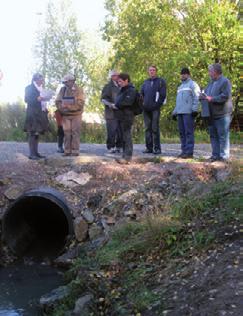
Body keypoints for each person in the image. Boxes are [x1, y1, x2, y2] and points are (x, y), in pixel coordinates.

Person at [200, 63, 233, 162]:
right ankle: (215, 155)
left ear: (216, 72)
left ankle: (224, 156)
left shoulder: (225, 81)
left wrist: (212, 99)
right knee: (213, 135)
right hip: (211, 114)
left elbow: (225, 96)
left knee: (222, 135)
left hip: (222, 113)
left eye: (210, 71)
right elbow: (207, 95)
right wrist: (202, 97)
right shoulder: (210, 83)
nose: (209, 73)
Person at [172, 67, 200, 158]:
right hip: (180, 112)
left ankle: (189, 152)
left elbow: (197, 97)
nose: (183, 75)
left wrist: (195, 109)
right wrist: (174, 112)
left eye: (185, 74)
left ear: (188, 74)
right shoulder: (180, 87)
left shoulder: (193, 84)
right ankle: (184, 151)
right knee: (182, 133)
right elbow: (178, 102)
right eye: (182, 74)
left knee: (188, 132)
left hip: (188, 113)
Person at [55, 74, 85, 156]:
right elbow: (57, 101)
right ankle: (67, 150)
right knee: (66, 133)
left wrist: (70, 107)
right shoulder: (62, 90)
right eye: (64, 82)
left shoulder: (79, 90)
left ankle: (75, 151)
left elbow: (80, 103)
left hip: (76, 114)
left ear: (71, 81)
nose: (65, 84)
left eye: (66, 82)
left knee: (75, 132)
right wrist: (62, 108)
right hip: (65, 115)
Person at [141, 65, 166, 154]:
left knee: (155, 128)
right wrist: (142, 105)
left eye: (153, 70)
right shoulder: (145, 82)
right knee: (147, 128)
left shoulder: (160, 81)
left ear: (156, 71)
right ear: (148, 72)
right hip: (146, 109)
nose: (151, 71)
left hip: (155, 109)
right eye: (150, 70)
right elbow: (141, 95)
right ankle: (149, 148)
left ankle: (157, 148)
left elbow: (163, 95)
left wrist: (157, 105)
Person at [24, 73, 49, 160]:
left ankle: (36, 152)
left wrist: (45, 107)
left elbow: (43, 100)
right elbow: (26, 99)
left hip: (41, 113)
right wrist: (37, 99)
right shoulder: (29, 88)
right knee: (32, 133)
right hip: (33, 113)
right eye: (40, 79)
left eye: (42, 80)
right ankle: (31, 154)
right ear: (35, 80)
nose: (42, 81)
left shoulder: (42, 89)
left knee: (37, 133)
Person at [114, 73, 136, 164]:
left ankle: (128, 157)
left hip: (127, 116)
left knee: (127, 136)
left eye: (120, 81)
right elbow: (118, 101)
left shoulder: (131, 90)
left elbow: (128, 102)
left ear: (126, 80)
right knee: (122, 136)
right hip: (120, 116)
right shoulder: (122, 90)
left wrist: (117, 105)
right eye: (118, 82)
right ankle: (124, 155)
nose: (119, 83)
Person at [101, 70, 122, 153]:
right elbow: (103, 99)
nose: (118, 77)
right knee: (111, 131)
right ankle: (111, 147)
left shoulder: (121, 86)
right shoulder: (108, 87)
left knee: (120, 132)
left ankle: (119, 146)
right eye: (116, 75)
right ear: (112, 76)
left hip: (120, 113)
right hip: (111, 113)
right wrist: (111, 105)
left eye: (118, 75)